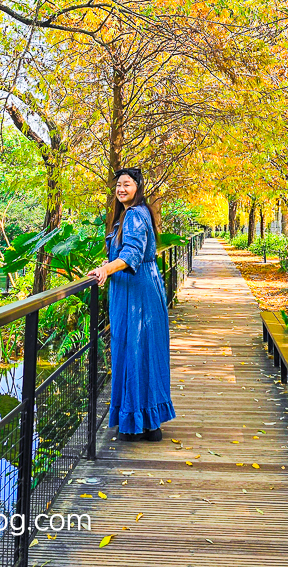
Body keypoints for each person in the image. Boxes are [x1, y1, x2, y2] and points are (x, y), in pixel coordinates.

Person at [87, 167, 176, 442]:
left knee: (134, 349)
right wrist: (108, 264)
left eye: (126, 184)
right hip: (140, 287)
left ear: (137, 187)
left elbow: (132, 254)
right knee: (144, 351)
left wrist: (105, 270)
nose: (121, 189)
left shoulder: (135, 215)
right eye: (118, 185)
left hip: (135, 292)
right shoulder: (134, 214)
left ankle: (137, 423)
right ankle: (148, 424)